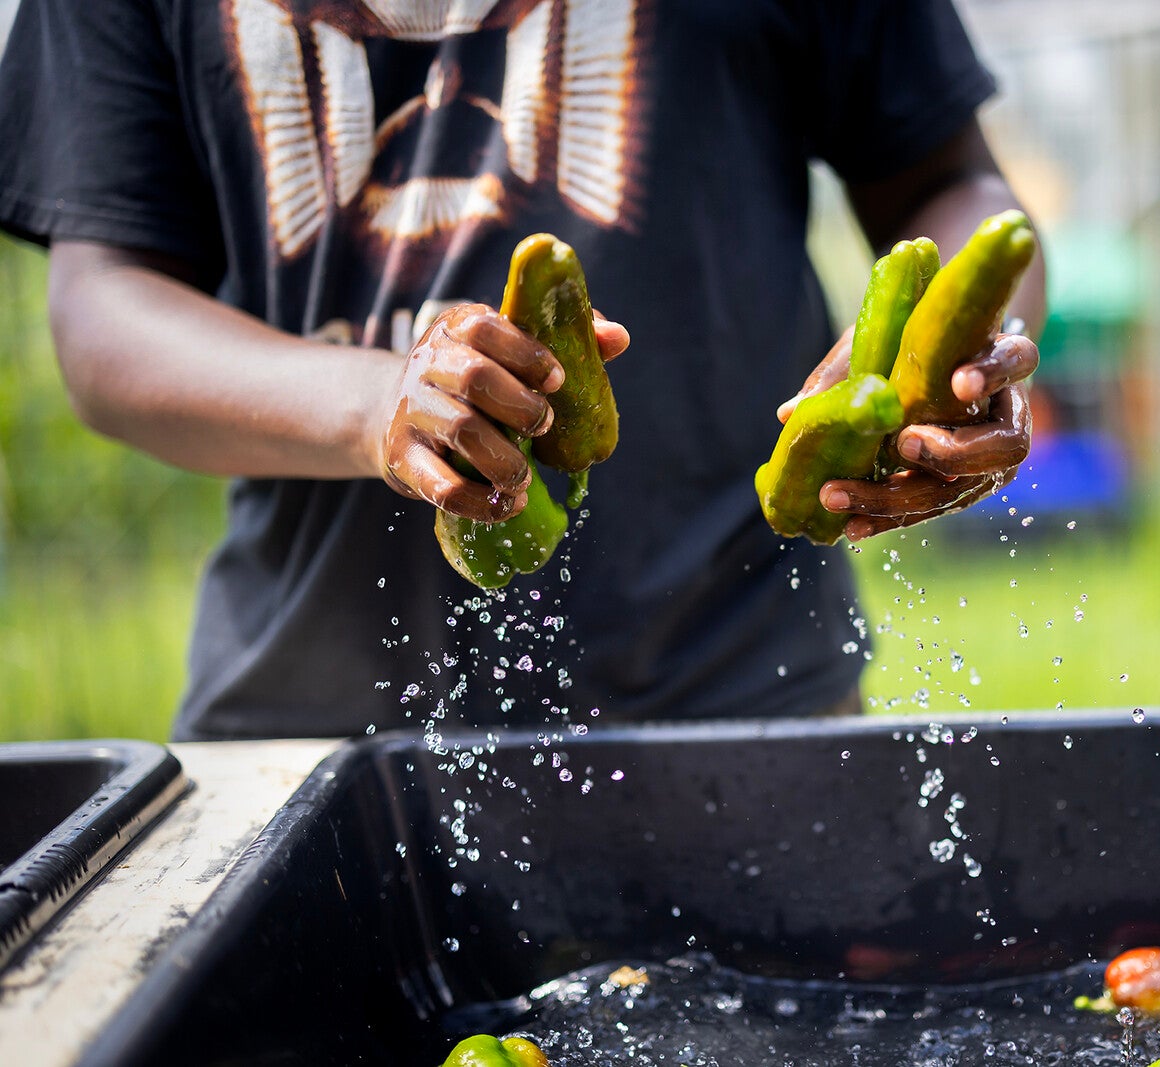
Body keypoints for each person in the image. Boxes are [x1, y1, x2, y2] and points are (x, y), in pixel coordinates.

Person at [0, 0, 1044, 741]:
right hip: (304, 735)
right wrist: (377, 406)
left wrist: (960, 361)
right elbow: (104, 316)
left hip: (742, 711)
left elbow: (948, 183)